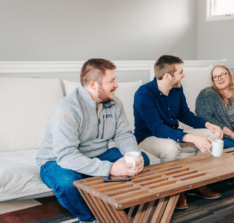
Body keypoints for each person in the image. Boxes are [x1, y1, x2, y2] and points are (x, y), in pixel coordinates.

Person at [36, 58, 150, 223]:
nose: (116, 85)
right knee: (67, 183)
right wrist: (110, 168)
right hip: (58, 161)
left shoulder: (114, 103)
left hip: (97, 154)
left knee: (141, 159)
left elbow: (123, 134)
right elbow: (67, 156)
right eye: (111, 81)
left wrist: (134, 155)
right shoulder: (68, 109)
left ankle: (121, 205)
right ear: (93, 85)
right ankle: (90, 219)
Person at [133, 55, 224, 209]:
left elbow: (184, 114)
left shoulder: (177, 88)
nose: (184, 75)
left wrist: (207, 124)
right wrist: (192, 138)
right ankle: (174, 192)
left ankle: (197, 184)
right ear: (168, 76)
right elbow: (158, 129)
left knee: (213, 135)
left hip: (173, 133)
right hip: (148, 138)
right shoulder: (144, 94)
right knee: (170, 146)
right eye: (180, 72)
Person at [196, 64, 234, 148]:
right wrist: (231, 134)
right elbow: (205, 117)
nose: (219, 78)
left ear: (230, 75)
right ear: (213, 80)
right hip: (222, 137)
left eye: (222, 74)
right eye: (215, 77)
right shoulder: (206, 95)